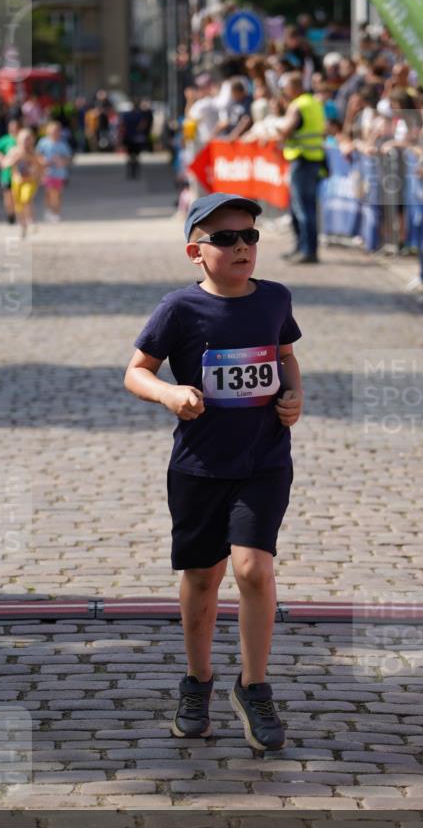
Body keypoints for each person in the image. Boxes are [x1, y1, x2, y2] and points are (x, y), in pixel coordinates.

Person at [124, 193, 303, 751]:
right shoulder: (178, 308)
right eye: (225, 238)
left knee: (252, 569)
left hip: (264, 460)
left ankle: (253, 685)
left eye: (250, 235)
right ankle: (197, 681)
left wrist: (295, 393)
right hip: (199, 466)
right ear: (195, 252)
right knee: (204, 578)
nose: (242, 246)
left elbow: (286, 354)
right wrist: (169, 393)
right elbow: (135, 372)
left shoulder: (275, 298)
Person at [277, 71, 326, 263]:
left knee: (301, 208)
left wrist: (276, 127)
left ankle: (306, 250)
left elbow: (286, 131)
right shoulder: (313, 102)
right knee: (307, 207)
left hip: (301, 159)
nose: (284, 91)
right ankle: (304, 248)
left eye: (286, 87)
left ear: (294, 87)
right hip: (314, 159)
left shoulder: (297, 105)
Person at [3, 128, 42, 237]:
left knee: (26, 199)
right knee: (18, 205)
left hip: (30, 181)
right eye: (23, 139)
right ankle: (22, 225)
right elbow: (4, 164)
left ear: (32, 140)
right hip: (17, 181)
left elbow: (40, 165)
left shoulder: (34, 152)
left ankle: (31, 221)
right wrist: (13, 160)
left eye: (28, 139)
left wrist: (39, 175)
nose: (26, 142)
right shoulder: (14, 151)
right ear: (18, 140)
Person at [36, 119, 72, 221]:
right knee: (50, 192)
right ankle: (50, 210)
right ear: (47, 131)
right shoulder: (43, 142)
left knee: (58, 193)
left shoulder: (63, 143)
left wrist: (62, 161)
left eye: (57, 130)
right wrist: (42, 162)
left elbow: (68, 157)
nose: (55, 132)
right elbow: (37, 155)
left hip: (60, 173)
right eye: (52, 130)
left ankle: (56, 211)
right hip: (47, 172)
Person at [0, 118, 20, 224]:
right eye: (12, 127)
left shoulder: (22, 139)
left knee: (16, 195)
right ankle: (10, 214)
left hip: (19, 174)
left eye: (16, 127)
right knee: (7, 196)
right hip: (6, 174)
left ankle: (19, 214)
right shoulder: (4, 140)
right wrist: (2, 159)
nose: (14, 129)